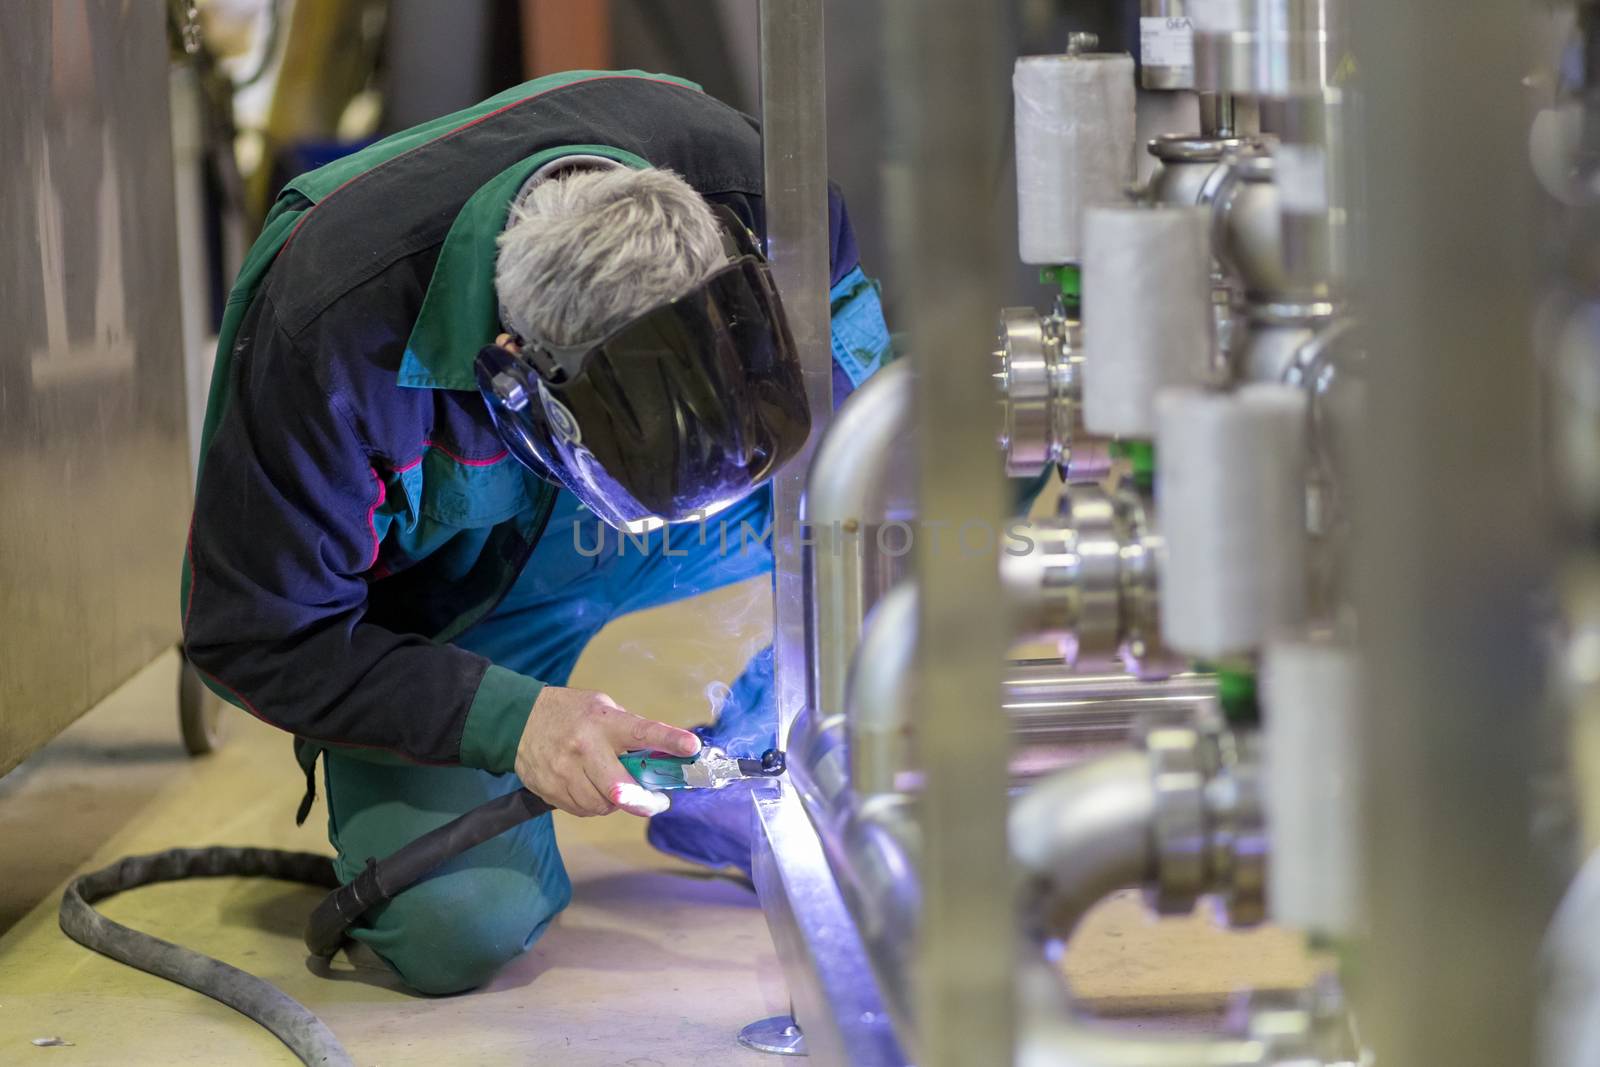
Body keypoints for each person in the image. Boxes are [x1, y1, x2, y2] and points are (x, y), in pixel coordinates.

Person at [181, 69, 890, 995]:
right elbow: (257, 633)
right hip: (453, 604)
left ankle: (754, 752)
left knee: (944, 461)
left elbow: (868, 422)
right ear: (515, 377)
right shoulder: (329, 336)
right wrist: (517, 721)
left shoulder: (765, 194)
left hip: (659, 527)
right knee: (455, 930)